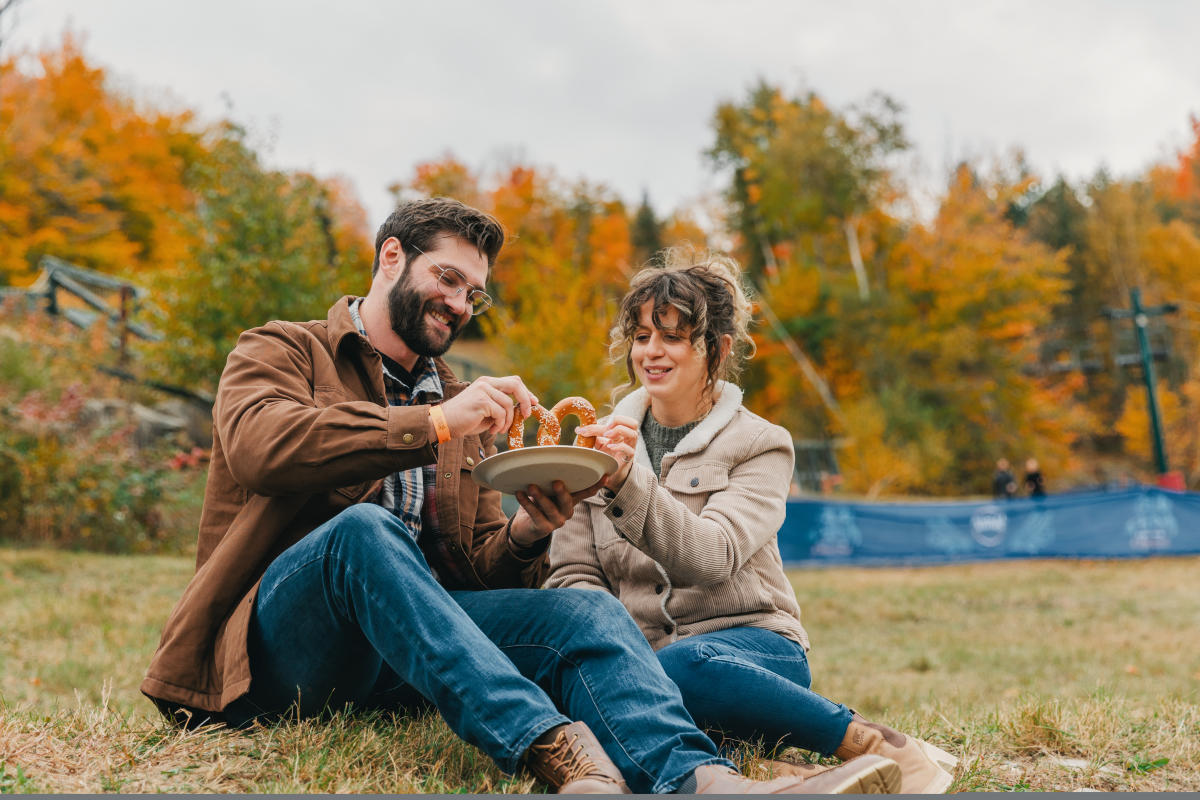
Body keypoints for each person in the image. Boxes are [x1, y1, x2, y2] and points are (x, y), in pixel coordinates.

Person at [141, 199, 901, 795]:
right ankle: (558, 753)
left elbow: (473, 573)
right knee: (368, 533)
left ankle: (699, 779)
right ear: (391, 257)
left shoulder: (466, 404)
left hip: (402, 662)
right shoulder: (281, 349)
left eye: (474, 292)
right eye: (447, 279)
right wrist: (431, 423)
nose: (461, 302)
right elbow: (261, 447)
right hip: (281, 652)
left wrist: (532, 532)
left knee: (583, 610)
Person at [546, 249, 958, 794]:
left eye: (671, 337)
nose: (651, 352)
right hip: (643, 659)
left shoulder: (762, 444)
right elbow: (574, 577)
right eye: (641, 336)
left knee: (681, 670)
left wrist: (628, 484)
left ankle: (871, 743)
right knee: (598, 690)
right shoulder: (595, 445)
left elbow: (713, 557)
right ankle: (768, 772)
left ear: (715, 349)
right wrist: (618, 657)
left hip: (749, 649)